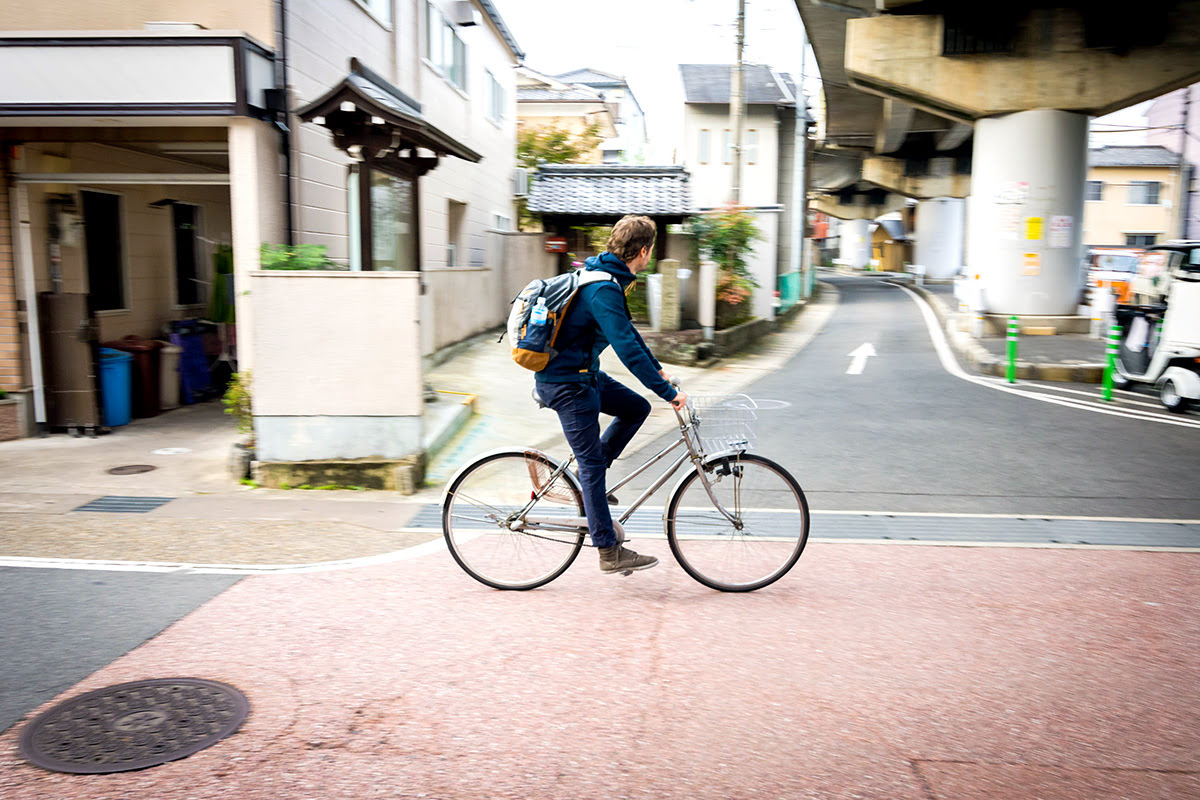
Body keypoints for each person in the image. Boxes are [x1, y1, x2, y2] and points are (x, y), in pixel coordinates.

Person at [535, 215, 688, 574]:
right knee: (590, 467)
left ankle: (593, 494)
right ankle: (608, 551)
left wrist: (660, 370)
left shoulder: (609, 279)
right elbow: (626, 350)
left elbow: (630, 335)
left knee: (636, 407)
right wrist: (668, 392)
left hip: (584, 376)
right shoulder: (604, 287)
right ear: (644, 251)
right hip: (567, 385)